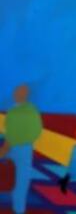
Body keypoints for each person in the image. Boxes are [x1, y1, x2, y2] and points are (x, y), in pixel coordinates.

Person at [0, 84, 43, 214]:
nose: (16, 94)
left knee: (21, 181)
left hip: (14, 148)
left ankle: (18, 208)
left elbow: (10, 134)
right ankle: (19, 209)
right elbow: (37, 131)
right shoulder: (32, 111)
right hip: (24, 149)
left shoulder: (14, 112)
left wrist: (5, 149)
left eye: (18, 92)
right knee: (22, 181)